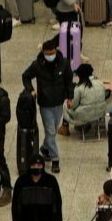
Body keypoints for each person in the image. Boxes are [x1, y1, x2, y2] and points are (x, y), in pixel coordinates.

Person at [21, 38, 74, 175]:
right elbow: (26, 76)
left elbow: (69, 80)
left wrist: (70, 97)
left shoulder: (64, 63)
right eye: (47, 53)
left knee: (53, 130)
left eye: (52, 53)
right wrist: (30, 89)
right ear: (43, 52)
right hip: (45, 104)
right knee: (50, 131)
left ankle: (45, 148)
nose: (50, 56)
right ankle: (55, 159)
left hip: (58, 102)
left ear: (55, 51)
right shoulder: (37, 65)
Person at [11, 154, 62, 221]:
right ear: (29, 166)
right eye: (33, 165)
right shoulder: (21, 182)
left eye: (39, 165)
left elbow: (57, 204)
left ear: (43, 166)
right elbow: (16, 207)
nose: (36, 167)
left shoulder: (51, 181)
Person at [64, 62, 109, 134]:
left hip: (84, 116)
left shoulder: (79, 88)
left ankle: (65, 128)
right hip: (100, 113)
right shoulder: (100, 83)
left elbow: (73, 105)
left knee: (65, 104)